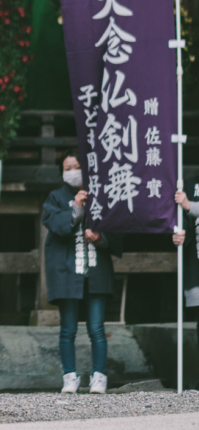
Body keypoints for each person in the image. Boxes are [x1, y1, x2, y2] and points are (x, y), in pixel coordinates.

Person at [42, 151, 123, 395]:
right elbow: (57, 226)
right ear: (62, 172)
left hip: (95, 272)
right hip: (68, 273)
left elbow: (117, 235)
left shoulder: (102, 195)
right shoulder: (55, 197)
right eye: (68, 167)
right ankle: (70, 377)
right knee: (68, 330)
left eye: (77, 166)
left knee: (97, 328)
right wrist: (76, 206)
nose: (73, 170)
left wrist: (100, 239)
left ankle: (99, 376)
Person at [172, 178, 199, 377]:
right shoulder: (189, 186)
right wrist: (179, 236)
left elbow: (188, 208)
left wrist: (190, 205)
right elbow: (185, 224)